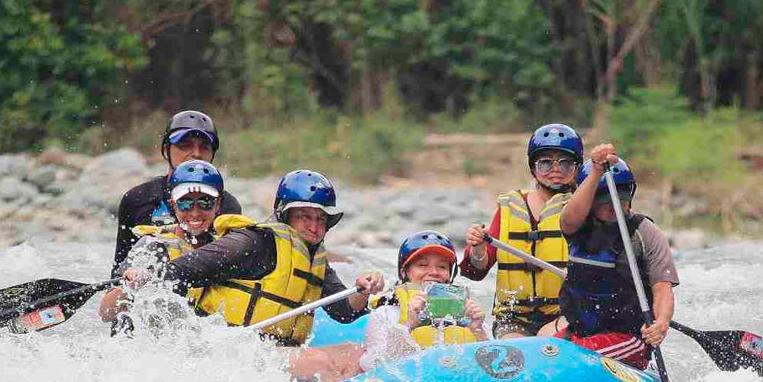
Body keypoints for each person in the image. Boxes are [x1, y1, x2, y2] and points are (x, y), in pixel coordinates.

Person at [124, 169, 384, 346]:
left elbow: (343, 312)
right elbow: (186, 269)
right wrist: (149, 276)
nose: (314, 227)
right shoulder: (255, 241)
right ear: (285, 216)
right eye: (304, 216)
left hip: (276, 354)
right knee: (340, 361)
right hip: (235, 350)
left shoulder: (313, 258)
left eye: (321, 219)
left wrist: (363, 290)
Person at [537, 145, 679, 369]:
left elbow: (662, 288)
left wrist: (661, 323)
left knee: (569, 361)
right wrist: (595, 171)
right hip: (580, 330)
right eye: (603, 200)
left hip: (628, 337)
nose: (613, 206)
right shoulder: (576, 225)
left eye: (620, 199)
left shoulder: (646, 234)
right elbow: (569, 218)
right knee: (541, 358)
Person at [462, 123, 580, 338]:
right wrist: (478, 249)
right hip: (514, 318)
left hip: (565, 315)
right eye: (545, 163)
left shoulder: (581, 209)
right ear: (533, 168)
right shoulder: (510, 208)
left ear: (577, 168)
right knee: (516, 347)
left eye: (565, 164)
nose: (555, 170)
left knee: (547, 342)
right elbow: (476, 271)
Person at [111, 110, 243, 276]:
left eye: (204, 146)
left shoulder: (228, 205)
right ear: (166, 150)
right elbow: (118, 270)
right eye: (184, 145)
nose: (196, 153)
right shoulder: (137, 198)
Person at [99, 160, 225, 324]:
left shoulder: (229, 244)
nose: (195, 212)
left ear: (218, 204)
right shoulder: (152, 246)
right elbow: (105, 313)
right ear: (173, 205)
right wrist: (131, 287)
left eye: (205, 202)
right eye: (185, 203)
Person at [363, 230, 488, 358]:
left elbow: (493, 368)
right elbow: (375, 364)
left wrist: (478, 331)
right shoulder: (386, 314)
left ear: (450, 275)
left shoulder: (469, 315)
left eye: (442, 267)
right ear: (404, 272)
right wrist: (408, 323)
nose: (434, 272)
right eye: (422, 265)